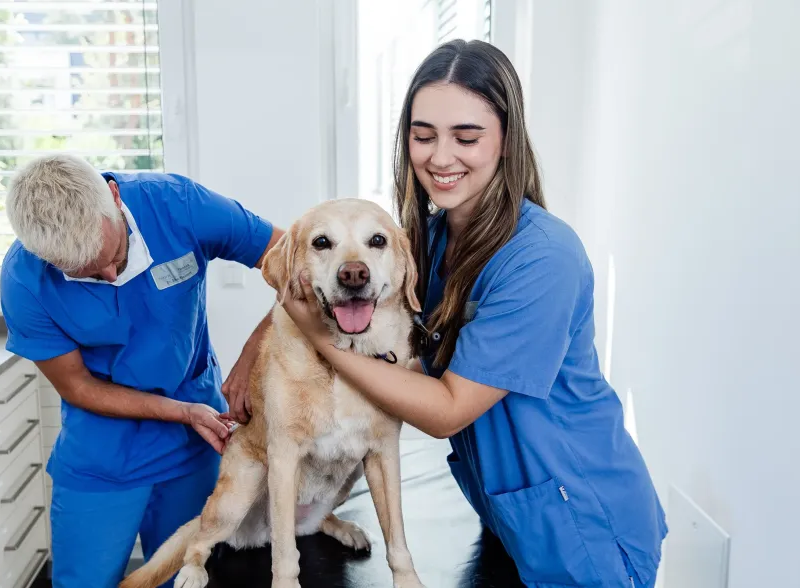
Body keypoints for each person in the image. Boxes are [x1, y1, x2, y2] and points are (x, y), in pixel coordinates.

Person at [277, 40, 668, 587]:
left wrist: (318, 339)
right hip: (511, 512)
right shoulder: (429, 243)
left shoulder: (542, 258)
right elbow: (319, 271)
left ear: (507, 140)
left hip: (583, 518)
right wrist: (263, 341)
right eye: (423, 135)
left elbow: (447, 411)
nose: (440, 157)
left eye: (466, 136)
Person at [0, 153, 282, 587]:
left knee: (187, 576)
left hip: (195, 441)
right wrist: (180, 411)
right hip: (102, 452)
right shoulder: (24, 280)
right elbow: (77, 386)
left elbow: (295, 262)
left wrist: (251, 357)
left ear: (113, 195)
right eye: (89, 275)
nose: (113, 274)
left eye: (114, 254)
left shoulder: (179, 206)